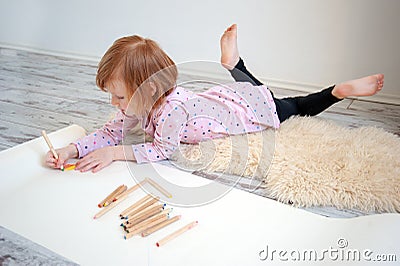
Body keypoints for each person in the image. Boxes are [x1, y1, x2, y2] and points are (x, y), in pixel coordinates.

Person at [45, 24, 384, 173]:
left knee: (294, 107)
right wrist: (71, 150)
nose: (114, 105)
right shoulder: (138, 103)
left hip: (247, 111)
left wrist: (116, 153)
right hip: (223, 98)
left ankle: (337, 91)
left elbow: (165, 150)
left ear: (147, 90)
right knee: (259, 87)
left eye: (118, 96)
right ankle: (234, 64)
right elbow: (108, 133)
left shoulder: (169, 113)